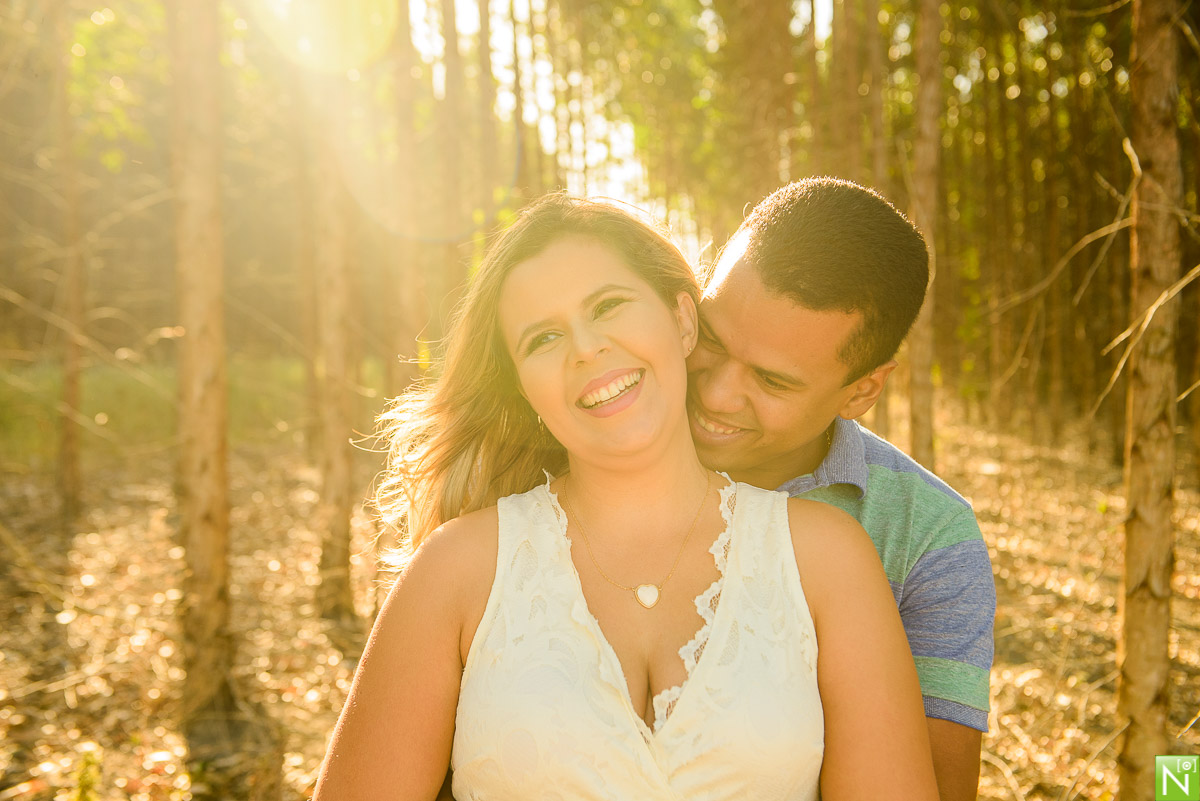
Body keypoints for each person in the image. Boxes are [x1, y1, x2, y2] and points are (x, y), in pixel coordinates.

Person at [313, 194, 939, 800]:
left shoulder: (828, 559)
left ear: (683, 320)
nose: (587, 348)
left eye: (608, 305)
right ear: (524, 388)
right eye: (543, 339)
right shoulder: (454, 570)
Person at [686, 177, 995, 801]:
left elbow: (937, 787)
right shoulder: (592, 442)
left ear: (862, 391)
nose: (715, 394)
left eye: (772, 381)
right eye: (711, 339)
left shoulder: (927, 536)